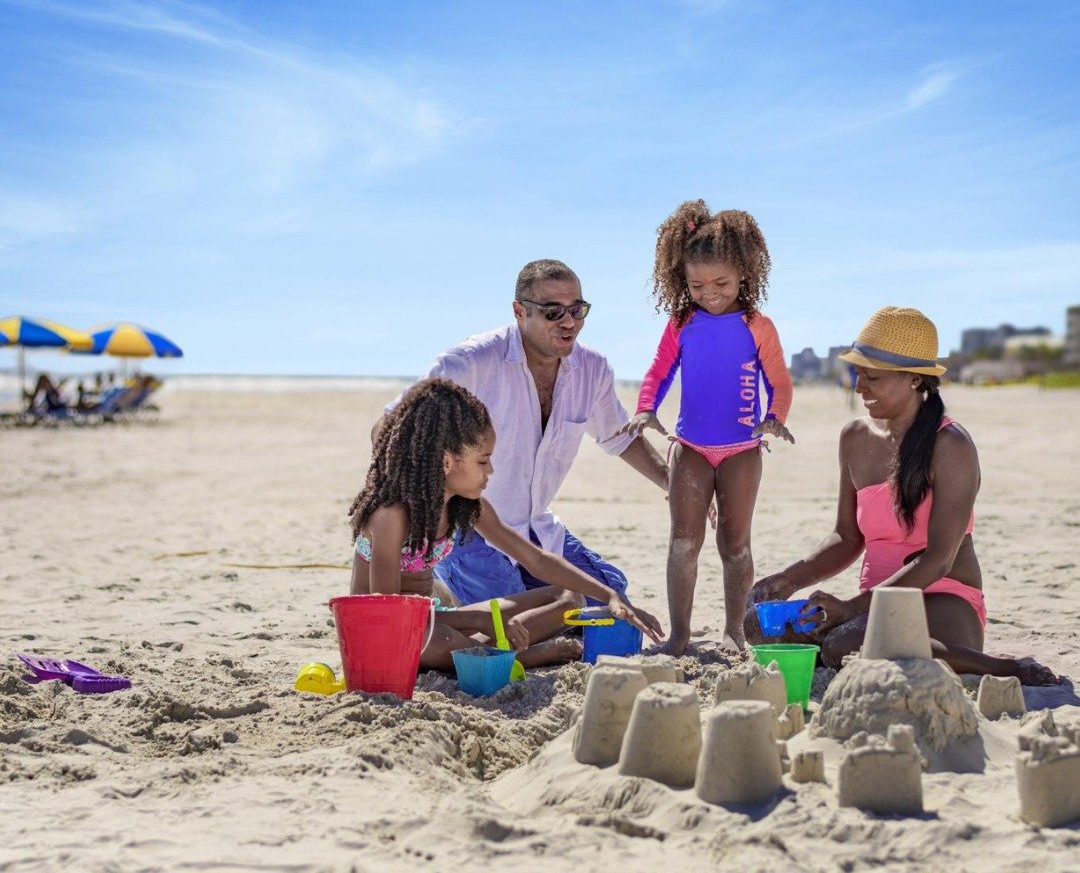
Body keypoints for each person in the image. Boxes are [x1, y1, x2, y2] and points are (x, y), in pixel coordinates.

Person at [748, 306, 1059, 685]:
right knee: (760, 626)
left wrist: (848, 609)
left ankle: (1005, 667)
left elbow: (939, 560)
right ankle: (859, 639)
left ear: (914, 378)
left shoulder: (951, 445)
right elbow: (847, 537)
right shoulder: (854, 438)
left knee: (842, 644)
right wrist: (788, 579)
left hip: (943, 599)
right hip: (869, 609)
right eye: (858, 373)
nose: (859, 386)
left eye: (872, 377)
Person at [375, 259, 669, 607]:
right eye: (552, 312)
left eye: (578, 309)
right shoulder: (470, 361)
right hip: (464, 526)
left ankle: (495, 593)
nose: (569, 322)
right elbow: (391, 426)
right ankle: (447, 586)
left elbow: (620, 437)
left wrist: (675, 486)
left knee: (609, 602)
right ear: (520, 311)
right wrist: (422, 506)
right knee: (510, 614)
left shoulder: (593, 369)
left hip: (533, 529)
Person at [351, 377, 664, 670]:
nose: (491, 471)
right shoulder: (391, 515)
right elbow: (388, 613)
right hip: (388, 631)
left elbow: (537, 559)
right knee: (436, 640)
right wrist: (476, 621)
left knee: (568, 598)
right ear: (447, 461)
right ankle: (516, 656)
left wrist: (611, 596)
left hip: (436, 619)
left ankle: (488, 654)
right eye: (483, 461)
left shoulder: (467, 507)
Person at [616, 201, 793, 656]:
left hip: (742, 451)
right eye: (697, 284)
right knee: (683, 541)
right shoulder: (682, 322)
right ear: (682, 281)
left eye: (721, 283)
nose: (709, 293)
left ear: (744, 276)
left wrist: (775, 417)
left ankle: (734, 631)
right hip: (690, 447)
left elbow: (779, 380)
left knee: (734, 545)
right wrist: (644, 408)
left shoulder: (758, 325)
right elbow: (658, 372)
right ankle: (679, 636)